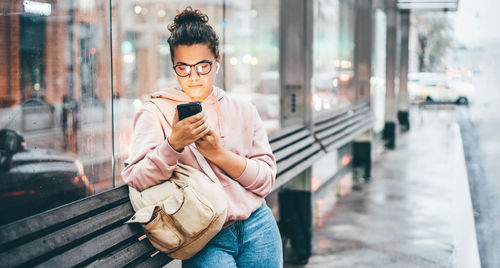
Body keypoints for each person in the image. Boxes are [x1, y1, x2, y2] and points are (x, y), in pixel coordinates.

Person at [121, 6, 283, 268]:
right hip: (204, 235)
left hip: (258, 225)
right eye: (183, 67)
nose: (193, 76)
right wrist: (173, 145)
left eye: (202, 66)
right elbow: (136, 178)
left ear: (217, 61)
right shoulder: (156, 112)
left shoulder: (244, 110)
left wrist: (218, 154)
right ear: (174, 66)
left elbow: (265, 181)